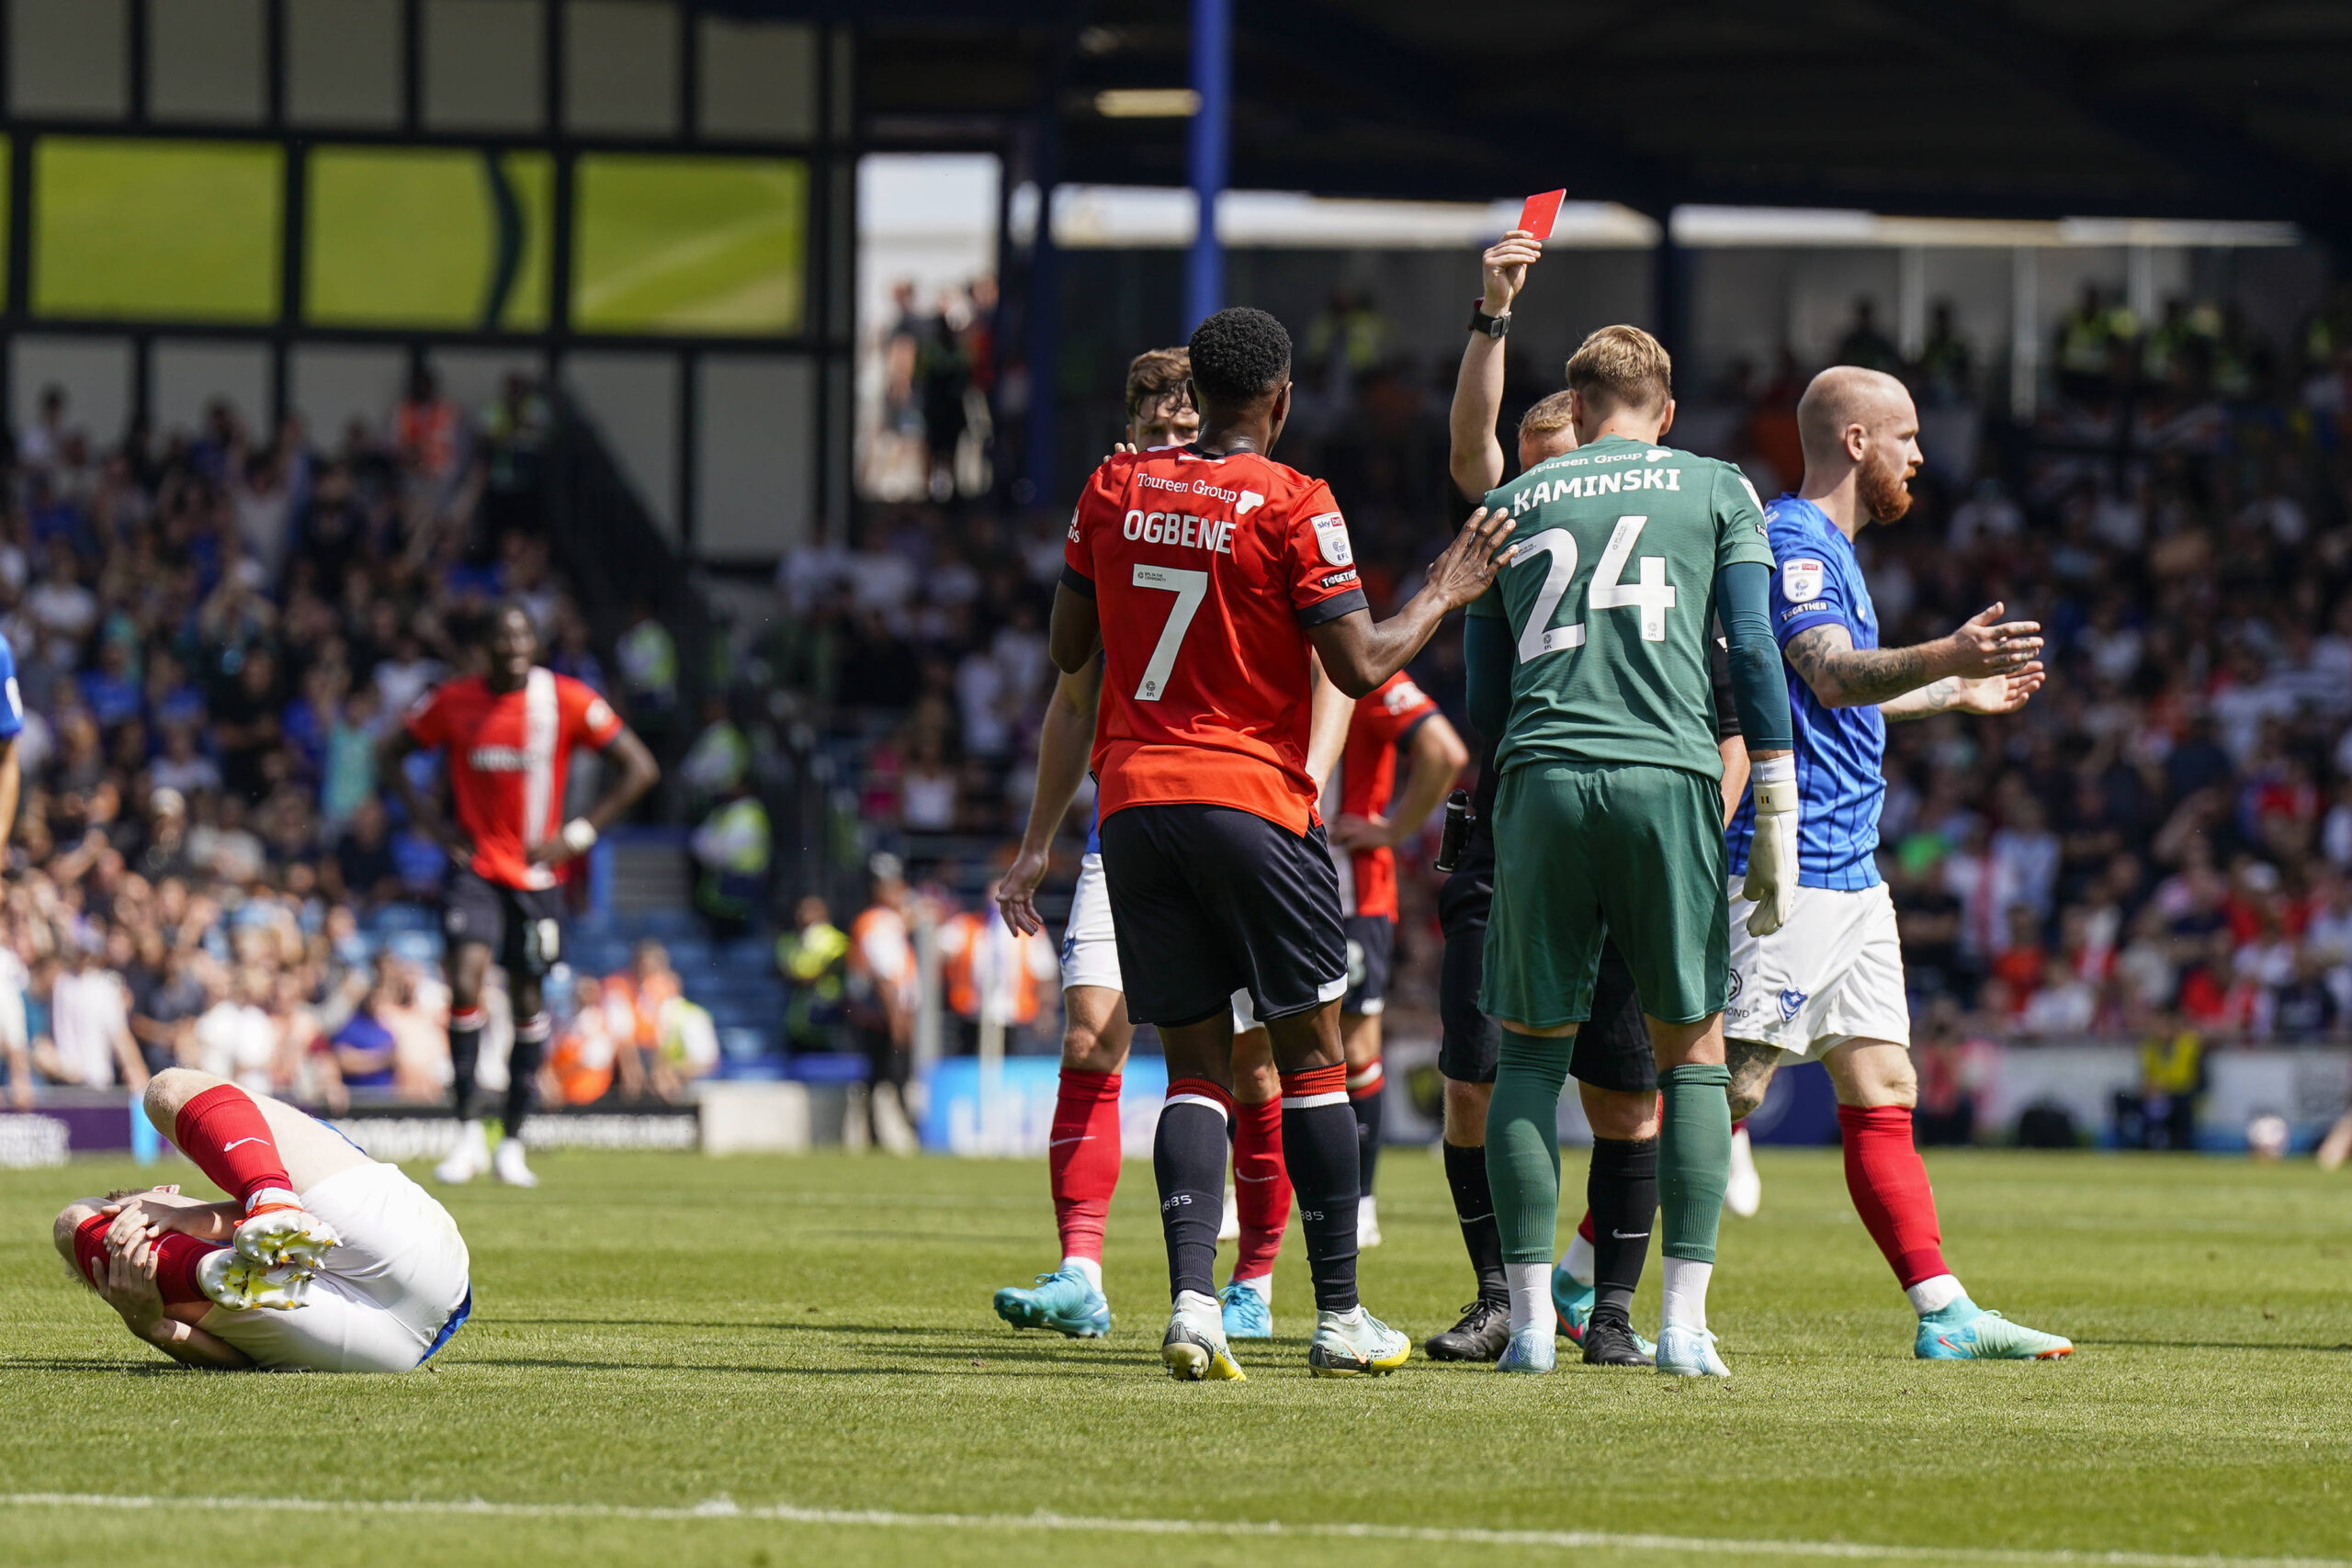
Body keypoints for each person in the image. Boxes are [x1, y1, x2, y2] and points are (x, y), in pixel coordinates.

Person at [1048, 305, 1518, 1381]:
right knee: (1311, 1060)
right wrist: (1445, 585)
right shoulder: (1295, 500)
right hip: (1253, 803)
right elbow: (1359, 665)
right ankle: (1338, 1314)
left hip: (1132, 808)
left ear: (1196, 394)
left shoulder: (1111, 490)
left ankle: (1192, 1307)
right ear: (1281, 399)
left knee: (1193, 1071)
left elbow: (1072, 648)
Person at [1428, 233, 1754, 1369]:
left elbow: (1482, 699)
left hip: (1542, 790)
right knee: (1684, 1060)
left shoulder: (1520, 504)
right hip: (1659, 790)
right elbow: (1742, 680)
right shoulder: (1705, 496)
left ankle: (1543, 1320)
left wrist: (1493, 309)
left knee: (1534, 1065)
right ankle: (1673, 1325)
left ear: (1576, 406)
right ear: (1658, 411)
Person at [1720, 365, 2072, 1361]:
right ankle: (1577, 1282)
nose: (1921, 455)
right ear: (1856, 441)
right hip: (1788, 870)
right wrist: (1949, 658)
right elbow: (1829, 675)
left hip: (1852, 866)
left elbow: (1837, 695)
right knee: (1731, 1090)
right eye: (1907, 436)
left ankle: (1943, 1312)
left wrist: (1947, 699)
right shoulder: (1792, 543)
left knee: (1881, 1084)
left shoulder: (1834, 549)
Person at [992, 348, 1342, 1346]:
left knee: (1255, 1064)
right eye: (1149, 423)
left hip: (1246, 811)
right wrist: (1036, 845)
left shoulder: (1261, 509)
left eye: (1181, 423)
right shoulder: (1115, 506)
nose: (1164, 439)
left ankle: (1255, 1278)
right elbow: (1072, 694)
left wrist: (1302, 790)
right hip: (1138, 816)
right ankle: (1081, 1267)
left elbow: (1334, 670)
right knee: (1091, 1033)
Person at [379, 602, 659, 1188]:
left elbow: (640, 767)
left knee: (529, 1000)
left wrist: (578, 833)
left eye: (523, 637)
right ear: (484, 646)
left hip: (536, 879)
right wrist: (434, 826)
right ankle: (463, 1134)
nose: (513, 647)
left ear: (536, 644)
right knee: (465, 979)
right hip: (475, 868)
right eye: (502, 639)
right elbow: (390, 752)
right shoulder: (453, 701)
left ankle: (512, 1139)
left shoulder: (567, 700)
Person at [55, 1067, 469, 1371]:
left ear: (167, 1191)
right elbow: (239, 1361)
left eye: (135, 1216)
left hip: (376, 1343)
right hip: (388, 1320)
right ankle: (261, 1211)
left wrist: (193, 1221)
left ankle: (270, 1203)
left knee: (166, 1092)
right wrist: (154, 1328)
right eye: (131, 1237)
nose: (141, 1233)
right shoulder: (171, 1291)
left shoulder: (234, 1167)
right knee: (72, 1223)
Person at [1324, 670, 1466, 1250]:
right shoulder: (1264, 646)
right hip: (1278, 882)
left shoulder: (1362, 665)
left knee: (1354, 1047)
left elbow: (1444, 752)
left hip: (1350, 889)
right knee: (1256, 1042)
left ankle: (1359, 1203)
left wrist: (1391, 832)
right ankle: (1253, 1198)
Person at [847, 855, 919, 1150]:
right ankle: (896, 1135)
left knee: (881, 1077)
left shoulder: (887, 921)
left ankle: (876, 1134)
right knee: (890, 1076)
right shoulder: (876, 923)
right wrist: (898, 1018)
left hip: (885, 1011)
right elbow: (885, 978)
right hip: (882, 1013)